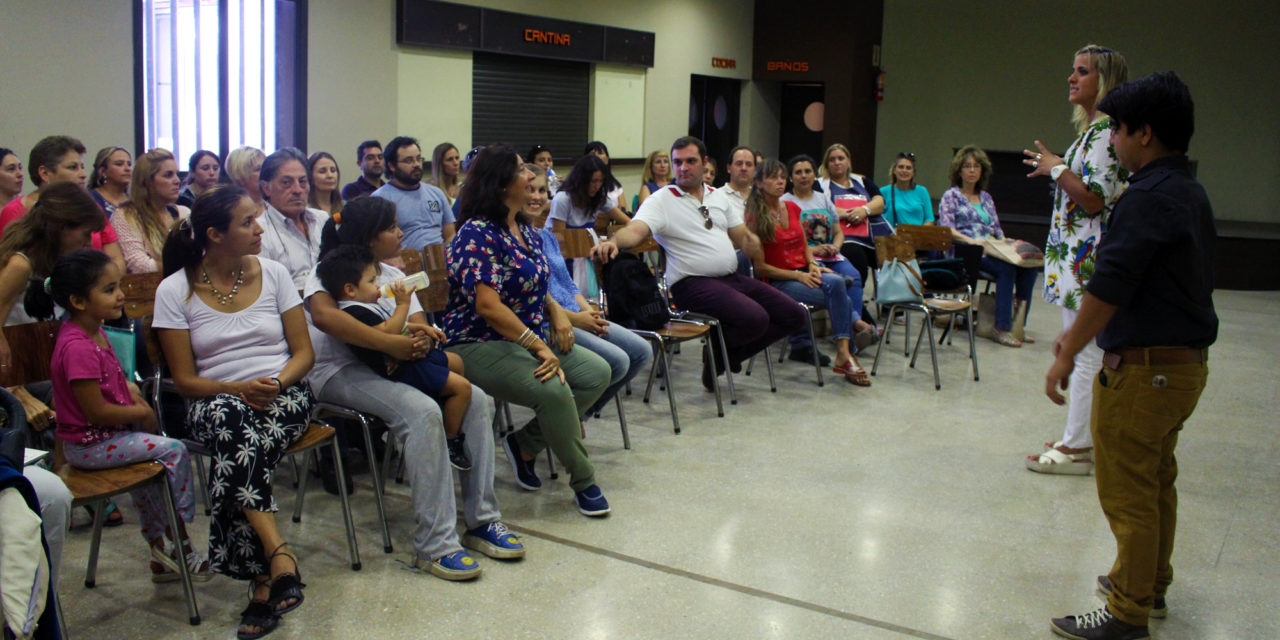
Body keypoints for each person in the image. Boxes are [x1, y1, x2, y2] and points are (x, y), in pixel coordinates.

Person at [1045, 70, 1214, 640]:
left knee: (1128, 492)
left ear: (1144, 133)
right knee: (1156, 479)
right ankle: (1148, 584)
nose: (1110, 139)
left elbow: (1111, 284)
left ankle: (1126, 614)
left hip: (1146, 373)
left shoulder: (1147, 197)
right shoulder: (1188, 190)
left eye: (1116, 129)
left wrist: (1067, 350)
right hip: (1183, 368)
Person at [306, 195, 518, 580]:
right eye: (390, 228)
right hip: (340, 371)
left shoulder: (391, 275)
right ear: (370, 238)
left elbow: (417, 321)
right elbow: (324, 318)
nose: (400, 233)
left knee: (478, 400)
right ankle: (435, 544)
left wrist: (419, 341)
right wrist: (394, 344)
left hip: (398, 364)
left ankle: (482, 520)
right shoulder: (329, 271)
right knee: (421, 412)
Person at [154, 184, 314, 639]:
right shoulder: (175, 289)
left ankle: (263, 579)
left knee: (237, 446)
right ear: (215, 235)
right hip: (215, 398)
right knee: (231, 420)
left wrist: (275, 383)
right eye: (247, 222)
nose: (259, 228)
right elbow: (184, 381)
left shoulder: (275, 273)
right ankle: (276, 554)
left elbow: (303, 355)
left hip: (284, 392)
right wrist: (236, 387)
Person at [443, 145, 612, 517]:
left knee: (598, 373)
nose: (532, 177)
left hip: (526, 335)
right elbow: (488, 306)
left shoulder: (528, 232)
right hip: (476, 341)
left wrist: (555, 311)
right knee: (553, 388)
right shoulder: (477, 233)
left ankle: (524, 443)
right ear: (503, 184)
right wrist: (538, 345)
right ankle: (584, 480)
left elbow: (541, 284)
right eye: (522, 171)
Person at [36, 249, 211, 583]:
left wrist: (130, 395)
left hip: (108, 438)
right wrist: (140, 412)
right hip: (91, 446)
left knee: (149, 476)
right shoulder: (77, 346)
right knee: (172, 450)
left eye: (118, 286)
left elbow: (110, 386)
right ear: (77, 300)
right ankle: (182, 530)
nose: (121, 295)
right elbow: (95, 411)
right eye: (108, 289)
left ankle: (161, 550)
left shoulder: (95, 331)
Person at [591, 136, 806, 390]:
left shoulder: (718, 196)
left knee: (795, 314)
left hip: (730, 279)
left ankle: (723, 354)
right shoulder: (661, 200)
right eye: (678, 162)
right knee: (756, 318)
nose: (683, 168)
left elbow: (740, 235)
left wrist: (750, 242)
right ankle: (722, 353)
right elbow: (636, 229)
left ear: (704, 163)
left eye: (690, 161)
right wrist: (614, 242)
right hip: (690, 285)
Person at [1022, 44, 1129, 476]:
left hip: (1088, 257)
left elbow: (1092, 200)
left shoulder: (1106, 133)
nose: (1072, 78)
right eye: (1073, 70)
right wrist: (1059, 166)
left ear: (1104, 81)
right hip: (1074, 257)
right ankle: (1076, 434)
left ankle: (1078, 447)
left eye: (1081, 72)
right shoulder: (1092, 131)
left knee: (1083, 353)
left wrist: (1056, 169)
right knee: (1078, 347)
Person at [315, 244, 473, 471]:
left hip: (411, 357)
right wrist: (403, 304)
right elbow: (387, 331)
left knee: (456, 362)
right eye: (371, 282)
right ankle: (450, 441)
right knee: (463, 388)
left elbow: (394, 326)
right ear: (350, 289)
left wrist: (421, 329)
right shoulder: (351, 311)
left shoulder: (366, 305)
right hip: (399, 368)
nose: (377, 286)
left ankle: (442, 398)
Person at [530, 168, 652, 425]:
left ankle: (574, 416)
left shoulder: (546, 238)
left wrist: (589, 310)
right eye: (530, 190)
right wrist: (578, 318)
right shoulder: (512, 240)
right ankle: (562, 424)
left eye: (542, 190)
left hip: (575, 313)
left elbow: (567, 284)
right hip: (550, 322)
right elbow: (533, 299)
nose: (538, 197)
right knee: (617, 362)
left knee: (641, 351)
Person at [746, 159, 871, 386]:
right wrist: (799, 276)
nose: (780, 182)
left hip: (803, 271)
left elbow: (803, 245)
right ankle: (847, 351)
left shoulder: (792, 208)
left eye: (782, 176)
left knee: (839, 282)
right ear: (760, 183)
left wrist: (812, 264)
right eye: (773, 177)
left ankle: (844, 352)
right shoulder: (754, 218)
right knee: (839, 286)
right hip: (778, 281)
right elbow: (761, 268)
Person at [938, 146, 1038, 348]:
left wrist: (1008, 244)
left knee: (1029, 267)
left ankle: (1018, 326)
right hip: (965, 251)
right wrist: (971, 241)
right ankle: (1001, 328)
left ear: (982, 170)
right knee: (1006, 269)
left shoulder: (986, 198)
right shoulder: (951, 196)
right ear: (959, 171)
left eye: (976, 166)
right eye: (967, 166)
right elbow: (947, 229)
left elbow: (997, 230)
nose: (972, 170)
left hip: (990, 249)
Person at [782, 154, 877, 356]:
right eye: (798, 172)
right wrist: (814, 250)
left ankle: (851, 331)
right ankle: (854, 332)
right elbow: (787, 240)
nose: (803, 176)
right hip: (806, 259)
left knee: (853, 276)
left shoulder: (823, 198)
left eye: (808, 171)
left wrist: (835, 245)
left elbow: (839, 231)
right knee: (836, 282)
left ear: (815, 174)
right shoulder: (785, 202)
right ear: (791, 178)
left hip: (831, 255)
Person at [0, 136, 125, 272]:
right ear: (45, 173)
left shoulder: (90, 207)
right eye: (73, 167)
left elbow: (116, 259)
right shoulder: (15, 211)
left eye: (82, 167)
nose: (83, 174)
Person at [819, 143, 887, 310]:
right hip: (842, 237)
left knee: (892, 257)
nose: (837, 162)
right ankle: (856, 311)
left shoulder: (862, 181)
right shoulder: (820, 184)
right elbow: (816, 205)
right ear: (827, 164)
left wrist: (863, 210)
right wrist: (844, 213)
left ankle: (892, 305)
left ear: (848, 161)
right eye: (832, 160)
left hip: (870, 236)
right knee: (857, 258)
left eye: (841, 158)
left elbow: (880, 202)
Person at [257, 147, 329, 288]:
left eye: (302, 181)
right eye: (286, 183)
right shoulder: (259, 232)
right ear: (266, 188)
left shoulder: (322, 219)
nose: (297, 190)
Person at [373, 136, 455, 252]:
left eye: (418, 159)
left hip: (440, 262)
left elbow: (450, 235)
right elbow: (377, 244)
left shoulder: (436, 193)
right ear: (392, 166)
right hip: (404, 264)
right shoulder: (380, 199)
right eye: (409, 160)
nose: (416, 164)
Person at [114, 148, 189, 273]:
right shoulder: (126, 215)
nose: (177, 181)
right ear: (147, 181)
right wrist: (187, 266)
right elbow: (139, 266)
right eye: (168, 175)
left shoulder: (184, 213)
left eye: (176, 173)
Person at [880, 152, 934, 227]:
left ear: (913, 172)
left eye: (908, 168)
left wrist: (917, 233)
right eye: (901, 167)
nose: (904, 170)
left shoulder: (922, 191)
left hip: (917, 237)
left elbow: (929, 219)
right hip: (893, 237)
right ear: (894, 170)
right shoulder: (884, 192)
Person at [583, 141, 628, 215]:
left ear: (607, 159)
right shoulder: (581, 183)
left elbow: (624, 209)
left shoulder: (615, 184)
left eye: (600, 153)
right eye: (593, 154)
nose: (597, 156)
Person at [88, 146, 133, 218]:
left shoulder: (135, 201)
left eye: (129, 164)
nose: (127, 169)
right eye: (119, 164)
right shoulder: (90, 199)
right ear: (103, 171)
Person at [224, 146, 266, 215]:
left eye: (265, 167)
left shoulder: (275, 205)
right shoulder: (232, 210)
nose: (265, 172)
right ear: (240, 175)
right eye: (258, 169)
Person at [306, 151, 343, 215]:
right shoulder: (305, 210)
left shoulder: (345, 207)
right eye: (322, 171)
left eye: (333, 170)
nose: (330, 175)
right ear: (310, 176)